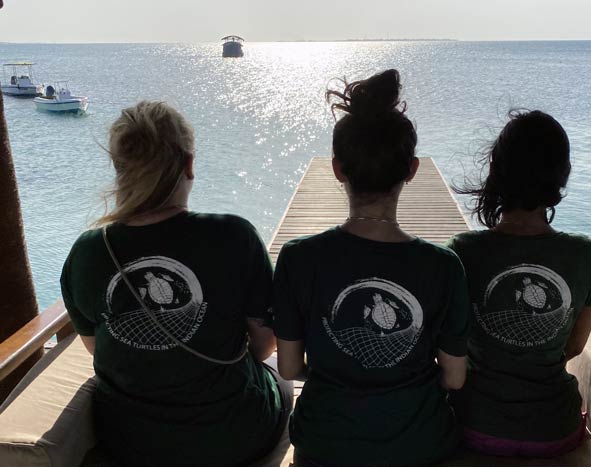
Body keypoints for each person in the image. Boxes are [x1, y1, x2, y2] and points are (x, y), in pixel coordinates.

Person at [60, 101, 292, 467]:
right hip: (234, 437)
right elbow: (264, 346)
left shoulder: (88, 251)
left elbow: (97, 349)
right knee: (280, 377)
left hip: (130, 442)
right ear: (189, 165)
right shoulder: (233, 236)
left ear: (119, 168)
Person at [273, 70, 469, 467]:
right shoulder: (444, 266)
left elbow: (290, 367)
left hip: (323, 446)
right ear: (412, 170)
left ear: (337, 169)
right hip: (420, 446)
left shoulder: (297, 258)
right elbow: (454, 379)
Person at [447, 109, 591, 457]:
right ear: (561, 176)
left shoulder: (462, 252)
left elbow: (449, 346)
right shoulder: (586, 256)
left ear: (496, 174)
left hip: (473, 425)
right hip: (555, 429)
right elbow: (573, 347)